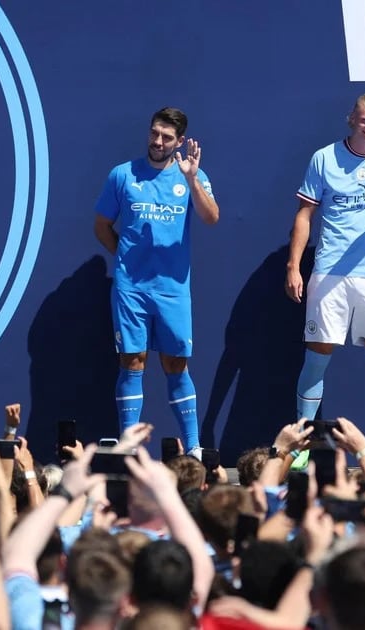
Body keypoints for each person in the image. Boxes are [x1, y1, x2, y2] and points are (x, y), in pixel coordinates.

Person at [284, 92, 365, 466]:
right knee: (316, 359)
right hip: (329, 273)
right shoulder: (323, 158)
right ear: (351, 119)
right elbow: (304, 215)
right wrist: (294, 266)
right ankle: (300, 446)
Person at [93, 107, 220, 458]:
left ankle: (193, 448)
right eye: (154, 134)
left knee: (176, 363)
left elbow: (212, 217)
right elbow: (101, 226)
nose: (158, 142)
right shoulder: (122, 175)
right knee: (131, 361)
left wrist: (192, 179)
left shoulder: (189, 175)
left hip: (172, 289)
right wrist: (125, 258)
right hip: (131, 289)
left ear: (179, 141)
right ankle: (129, 448)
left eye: (167, 137)